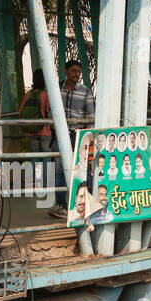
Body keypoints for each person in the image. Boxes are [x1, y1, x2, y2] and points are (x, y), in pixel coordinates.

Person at [48, 60, 95, 217]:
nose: (76, 74)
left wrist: (91, 135)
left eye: (78, 71)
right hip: (60, 136)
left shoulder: (85, 91)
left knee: (83, 170)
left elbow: (92, 114)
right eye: (73, 71)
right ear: (65, 71)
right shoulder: (56, 90)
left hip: (77, 135)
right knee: (59, 171)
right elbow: (50, 110)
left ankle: (85, 204)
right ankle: (61, 205)